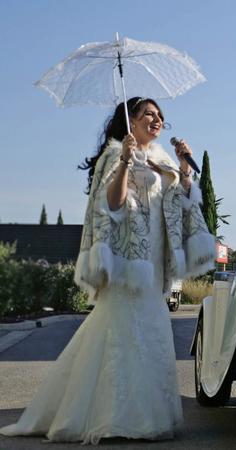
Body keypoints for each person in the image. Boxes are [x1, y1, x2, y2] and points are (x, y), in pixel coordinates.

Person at [0, 97, 216, 444]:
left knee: (152, 336)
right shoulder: (114, 156)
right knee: (123, 335)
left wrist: (184, 170)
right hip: (128, 263)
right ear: (130, 119)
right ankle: (118, 418)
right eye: (149, 114)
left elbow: (180, 204)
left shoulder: (163, 160)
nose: (157, 120)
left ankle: (150, 415)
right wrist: (127, 162)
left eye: (160, 116)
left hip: (156, 265)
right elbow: (111, 205)